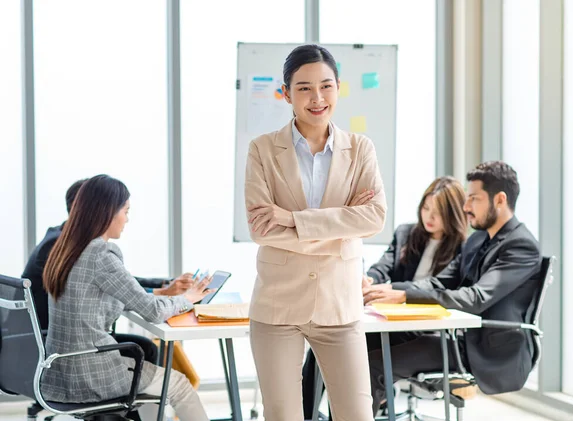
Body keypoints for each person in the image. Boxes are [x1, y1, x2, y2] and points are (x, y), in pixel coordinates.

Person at [244, 44, 387, 421]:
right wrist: (340, 229)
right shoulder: (261, 149)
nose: (317, 97)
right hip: (277, 306)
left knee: (357, 413)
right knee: (282, 415)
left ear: (338, 87)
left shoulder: (360, 149)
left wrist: (292, 220)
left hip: (339, 305)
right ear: (286, 93)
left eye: (326, 85)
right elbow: (260, 227)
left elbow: (373, 218)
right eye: (304, 87)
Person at [364, 161, 542, 415]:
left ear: (500, 200)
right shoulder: (479, 239)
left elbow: (476, 297)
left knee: (375, 365)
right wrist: (389, 291)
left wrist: (404, 295)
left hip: (481, 348)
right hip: (456, 337)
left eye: (473, 199)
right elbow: (439, 282)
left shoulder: (521, 246)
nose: (466, 207)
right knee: (360, 341)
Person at [41, 175, 213, 421]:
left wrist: (166, 293)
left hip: (61, 371)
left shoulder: (65, 248)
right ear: (108, 211)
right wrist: (189, 298)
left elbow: (103, 297)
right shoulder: (101, 252)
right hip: (91, 374)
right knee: (177, 384)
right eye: (126, 211)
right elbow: (153, 311)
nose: (127, 219)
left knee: (155, 381)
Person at [301, 176, 468, 418]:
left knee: (356, 358)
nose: (429, 217)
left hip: (426, 330)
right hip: (391, 324)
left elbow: (436, 287)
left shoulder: (462, 247)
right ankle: (305, 415)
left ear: (452, 214)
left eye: (438, 212)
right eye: (426, 207)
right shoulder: (406, 233)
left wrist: (394, 291)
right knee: (326, 349)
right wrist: (369, 280)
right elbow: (383, 266)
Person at [22, 179, 195, 366]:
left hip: (62, 340)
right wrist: (172, 295)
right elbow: (114, 283)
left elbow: (114, 282)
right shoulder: (64, 245)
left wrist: (161, 286)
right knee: (147, 351)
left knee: (146, 348)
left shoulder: (64, 241)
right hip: (63, 343)